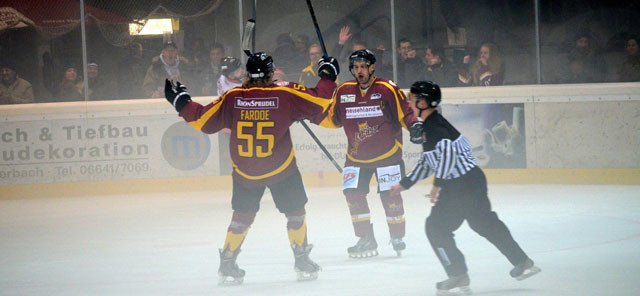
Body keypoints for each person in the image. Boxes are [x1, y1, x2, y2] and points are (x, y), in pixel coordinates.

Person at [164, 52, 340, 285]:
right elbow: (320, 101)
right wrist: (327, 75)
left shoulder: (233, 96)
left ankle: (227, 261)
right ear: (270, 72)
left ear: (248, 72)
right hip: (281, 169)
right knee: (295, 211)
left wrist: (182, 102)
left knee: (242, 217)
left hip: (246, 171)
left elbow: (203, 121)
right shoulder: (284, 92)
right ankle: (301, 258)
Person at [390, 81, 541, 295]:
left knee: (436, 228)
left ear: (423, 102)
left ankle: (457, 274)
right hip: (469, 181)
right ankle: (522, 261)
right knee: (484, 223)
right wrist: (404, 184)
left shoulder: (435, 126)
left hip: (460, 185)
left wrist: (438, 185)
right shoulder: (429, 125)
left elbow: (448, 155)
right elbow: (429, 160)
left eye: (412, 98)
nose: (408, 103)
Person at [317, 49, 418, 258]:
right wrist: (308, 113)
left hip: (387, 156)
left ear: (372, 67)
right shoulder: (344, 91)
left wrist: (415, 126)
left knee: (390, 197)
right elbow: (332, 119)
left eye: (363, 66)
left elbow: (405, 113)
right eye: (355, 67)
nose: (359, 71)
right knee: (353, 196)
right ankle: (365, 238)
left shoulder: (387, 88)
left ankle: (397, 235)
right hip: (355, 158)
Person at [216, 56, 245, 175]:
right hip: (234, 125)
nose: (242, 70)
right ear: (231, 75)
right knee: (238, 152)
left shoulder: (224, 77)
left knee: (234, 151)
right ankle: (238, 174)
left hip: (227, 123)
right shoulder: (233, 89)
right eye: (239, 69)